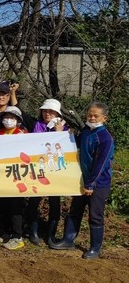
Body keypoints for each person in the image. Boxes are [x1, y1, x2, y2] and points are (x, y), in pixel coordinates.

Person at [51, 102, 114, 259]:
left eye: (96, 116)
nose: (91, 118)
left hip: (98, 183)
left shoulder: (105, 138)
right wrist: (61, 133)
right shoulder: (86, 131)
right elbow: (74, 143)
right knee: (75, 210)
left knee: (95, 215)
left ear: (104, 118)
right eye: (89, 115)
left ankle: (95, 248)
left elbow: (101, 164)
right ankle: (68, 240)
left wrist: (91, 184)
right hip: (82, 180)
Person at [27, 99, 67, 246]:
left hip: (55, 171)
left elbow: (68, 150)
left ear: (57, 114)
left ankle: (51, 235)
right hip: (37, 169)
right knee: (33, 201)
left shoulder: (66, 128)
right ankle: (33, 232)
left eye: (51, 111)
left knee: (54, 202)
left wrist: (60, 133)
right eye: (45, 111)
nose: (47, 114)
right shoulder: (35, 125)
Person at [0, 105, 27, 250]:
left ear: (18, 120)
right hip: (2, 175)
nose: (8, 120)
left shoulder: (22, 134)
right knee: (3, 205)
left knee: (16, 206)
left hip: (16, 176)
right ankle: (6, 232)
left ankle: (17, 237)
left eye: (12, 118)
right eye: (6, 117)